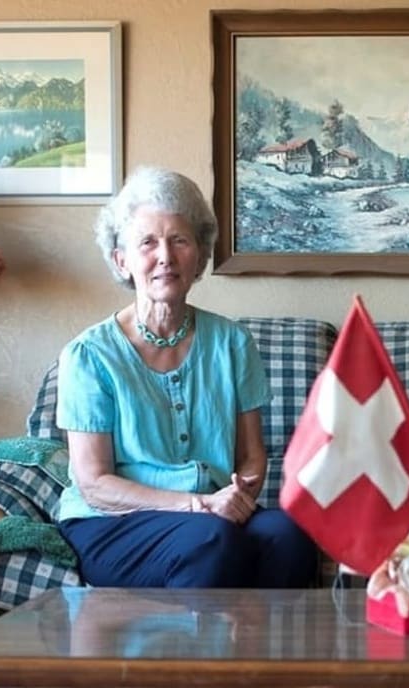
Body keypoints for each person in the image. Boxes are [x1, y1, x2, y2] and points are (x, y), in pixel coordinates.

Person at [55, 166, 318, 589]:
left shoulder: (232, 343)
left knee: (289, 534)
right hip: (112, 524)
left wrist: (238, 497)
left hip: (213, 515)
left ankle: (263, 655)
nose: (165, 256)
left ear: (198, 255)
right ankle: (188, 657)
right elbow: (94, 483)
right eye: (147, 242)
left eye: (179, 240)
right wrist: (196, 505)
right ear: (122, 260)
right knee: (211, 539)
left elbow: (251, 456)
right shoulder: (89, 356)